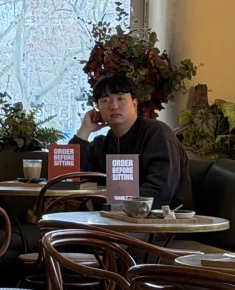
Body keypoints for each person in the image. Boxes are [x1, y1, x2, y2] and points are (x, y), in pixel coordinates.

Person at [73, 72, 192, 210]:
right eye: (105, 101)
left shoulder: (156, 133)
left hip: (162, 218)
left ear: (134, 104)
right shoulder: (103, 144)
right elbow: (72, 177)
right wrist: (84, 131)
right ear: (98, 109)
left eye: (120, 99)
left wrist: (118, 209)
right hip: (114, 217)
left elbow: (160, 190)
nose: (114, 106)